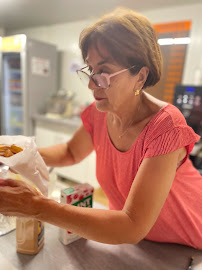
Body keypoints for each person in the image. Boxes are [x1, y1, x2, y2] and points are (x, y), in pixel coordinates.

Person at [0, 7, 202, 249]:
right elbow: (70, 152)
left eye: (104, 72)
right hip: (144, 245)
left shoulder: (165, 127)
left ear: (140, 76)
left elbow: (131, 224)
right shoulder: (99, 113)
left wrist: (37, 206)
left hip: (188, 242)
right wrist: (13, 152)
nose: (92, 85)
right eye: (90, 71)